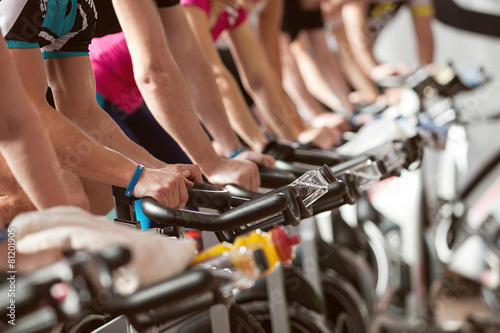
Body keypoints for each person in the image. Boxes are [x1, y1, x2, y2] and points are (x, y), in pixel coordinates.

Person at [0, 0, 203, 221]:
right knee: (47, 200)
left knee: (90, 198)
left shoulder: (81, 10)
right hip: (10, 114)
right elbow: (29, 115)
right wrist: (137, 176)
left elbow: (82, 112)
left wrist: (159, 169)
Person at [179, 0, 342, 149]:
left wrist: (292, 140)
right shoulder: (194, 4)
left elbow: (259, 77)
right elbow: (216, 77)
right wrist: (261, 145)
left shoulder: (235, 9)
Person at [328, 0, 435, 100]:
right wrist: (375, 74)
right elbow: (354, 40)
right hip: (337, 69)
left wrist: (426, 72)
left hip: (361, 64)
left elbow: (424, 35)